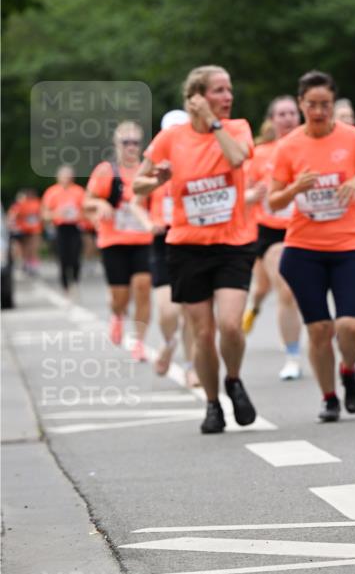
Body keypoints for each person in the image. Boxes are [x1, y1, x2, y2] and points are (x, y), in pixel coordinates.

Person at [133, 65, 257, 435]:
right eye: (219, 90)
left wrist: (214, 123)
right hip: (187, 247)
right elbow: (138, 185)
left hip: (232, 243)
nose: (228, 97)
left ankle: (233, 380)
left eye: (229, 89)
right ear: (197, 97)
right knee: (202, 333)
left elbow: (237, 159)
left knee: (230, 325)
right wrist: (157, 180)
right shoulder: (171, 138)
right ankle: (212, 403)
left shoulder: (236, 128)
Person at [269, 70, 355, 422]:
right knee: (319, 329)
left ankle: (348, 369)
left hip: (351, 245)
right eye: (312, 105)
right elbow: (273, 201)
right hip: (304, 248)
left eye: (326, 105)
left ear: (333, 104)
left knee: (350, 326)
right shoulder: (288, 147)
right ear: (301, 104)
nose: (319, 112)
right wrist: (295, 188)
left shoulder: (353, 137)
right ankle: (329, 397)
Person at [242, 96, 304, 380]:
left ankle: (256, 307)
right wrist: (252, 195)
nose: (288, 118)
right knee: (284, 289)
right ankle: (292, 357)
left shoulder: (308, 148)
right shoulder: (259, 154)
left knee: (265, 286)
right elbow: (240, 195)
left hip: (306, 227)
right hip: (271, 230)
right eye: (282, 114)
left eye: (292, 113)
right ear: (272, 120)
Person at [85, 121, 153, 361]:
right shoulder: (106, 171)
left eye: (136, 142)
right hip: (113, 240)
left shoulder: (148, 170)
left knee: (143, 287)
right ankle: (117, 314)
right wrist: (99, 203)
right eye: (126, 142)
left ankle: (139, 342)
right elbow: (86, 202)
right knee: (120, 296)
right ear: (117, 145)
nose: (131, 147)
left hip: (142, 239)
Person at [149, 110, 198, 386]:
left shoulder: (201, 163)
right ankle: (169, 342)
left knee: (191, 311)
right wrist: (148, 222)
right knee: (168, 311)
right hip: (163, 243)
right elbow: (135, 201)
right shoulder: (153, 167)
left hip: (192, 240)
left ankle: (191, 367)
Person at [41, 165, 85, 295]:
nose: (66, 178)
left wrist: (79, 215)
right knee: (63, 257)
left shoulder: (79, 191)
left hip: (75, 227)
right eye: (64, 176)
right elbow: (45, 214)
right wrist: (57, 213)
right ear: (58, 177)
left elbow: (86, 211)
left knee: (75, 256)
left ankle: (75, 281)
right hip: (60, 228)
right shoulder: (52, 192)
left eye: (69, 175)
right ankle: (65, 285)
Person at [8, 189, 42, 274]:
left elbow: (40, 215)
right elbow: (12, 216)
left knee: (32, 248)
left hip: (33, 229)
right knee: (22, 248)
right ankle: (24, 264)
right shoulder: (19, 205)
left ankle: (30, 265)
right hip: (22, 230)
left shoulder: (36, 203)